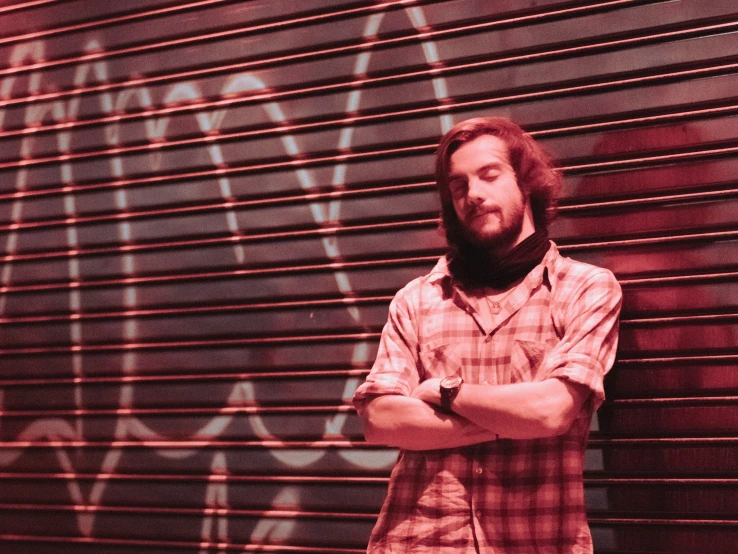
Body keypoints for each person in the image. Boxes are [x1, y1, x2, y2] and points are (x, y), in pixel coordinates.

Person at [352, 116, 622, 553]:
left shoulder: (585, 288)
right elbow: (380, 420)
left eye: (489, 175)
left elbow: (552, 411)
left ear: (527, 182)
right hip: (418, 542)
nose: (473, 194)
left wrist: (443, 392)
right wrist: (508, 420)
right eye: (458, 186)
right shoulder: (418, 299)